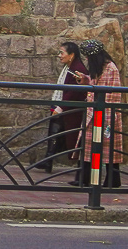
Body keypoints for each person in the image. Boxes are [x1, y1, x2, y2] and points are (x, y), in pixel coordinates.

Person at [70, 39, 124, 187]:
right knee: (87, 146)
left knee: (109, 149)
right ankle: (84, 178)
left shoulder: (111, 69)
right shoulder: (100, 68)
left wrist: (106, 115)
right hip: (93, 113)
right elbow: (95, 83)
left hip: (104, 114)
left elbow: (113, 94)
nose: (87, 60)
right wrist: (85, 79)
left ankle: (112, 180)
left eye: (89, 57)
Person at [34, 42, 88, 173]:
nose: (59, 55)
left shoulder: (77, 69)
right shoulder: (69, 67)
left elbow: (73, 91)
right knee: (55, 132)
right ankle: (48, 160)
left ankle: (51, 160)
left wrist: (61, 107)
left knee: (63, 135)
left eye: (62, 53)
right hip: (65, 107)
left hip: (71, 110)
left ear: (71, 55)